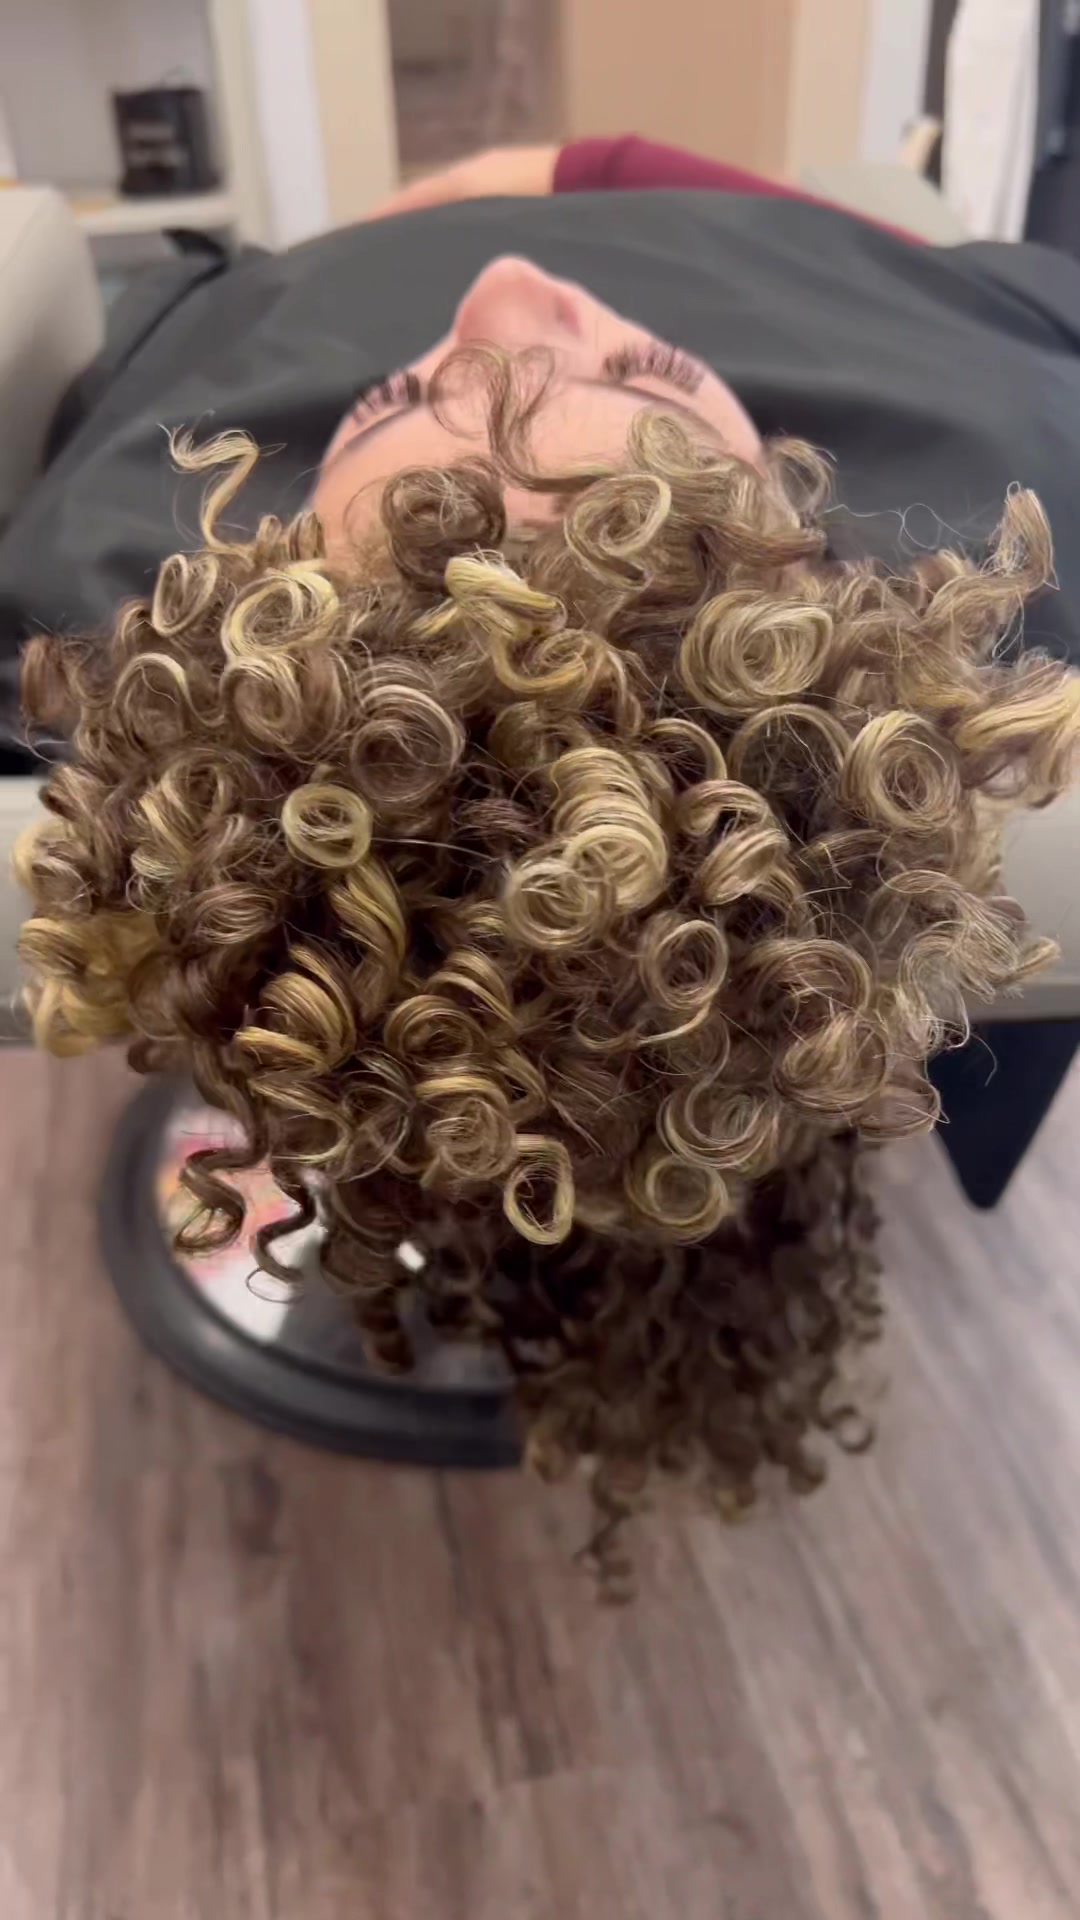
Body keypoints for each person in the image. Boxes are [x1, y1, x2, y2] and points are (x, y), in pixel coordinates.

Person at [13, 137, 1080, 1586]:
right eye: (645, 375)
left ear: (267, 571)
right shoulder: (1031, 422)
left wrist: (499, 180)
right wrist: (603, 163)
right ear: (814, 570)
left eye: (400, 400)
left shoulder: (78, 590)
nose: (513, 284)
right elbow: (883, 261)